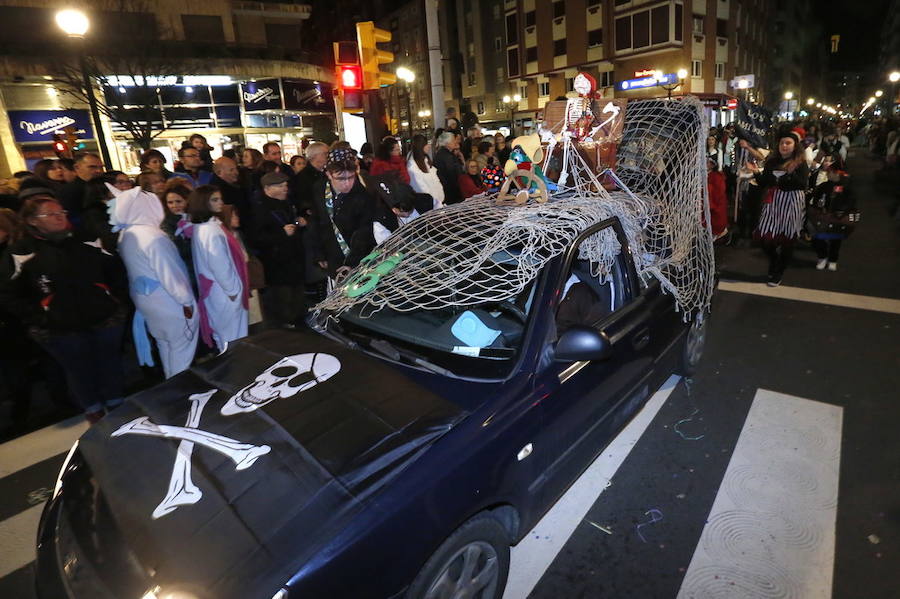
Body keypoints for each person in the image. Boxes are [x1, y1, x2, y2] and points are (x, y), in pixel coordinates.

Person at [0, 194, 127, 423]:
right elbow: (9, 294)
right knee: (79, 370)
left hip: (104, 318)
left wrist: (115, 301)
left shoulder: (87, 239)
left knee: (110, 365)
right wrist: (41, 317)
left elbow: (115, 271)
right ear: (32, 221)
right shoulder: (21, 252)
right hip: (58, 328)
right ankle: (95, 414)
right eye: (50, 214)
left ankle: (119, 411)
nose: (59, 217)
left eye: (61, 212)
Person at [114, 187, 198, 378]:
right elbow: (169, 273)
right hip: (168, 301)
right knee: (181, 349)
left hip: (146, 300)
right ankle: (180, 391)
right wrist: (186, 301)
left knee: (166, 346)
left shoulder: (126, 234)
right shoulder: (153, 236)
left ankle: (172, 386)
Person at [188, 185, 248, 350]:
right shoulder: (209, 231)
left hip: (219, 291)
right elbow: (219, 265)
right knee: (232, 340)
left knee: (227, 338)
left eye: (220, 198)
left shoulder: (207, 226)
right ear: (203, 203)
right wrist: (233, 291)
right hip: (223, 292)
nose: (220, 202)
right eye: (214, 200)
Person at [747, 130, 809, 286]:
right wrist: (756, 172)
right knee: (765, 238)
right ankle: (775, 260)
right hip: (774, 202)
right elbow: (764, 182)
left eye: (788, 143)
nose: (784, 146)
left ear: (795, 146)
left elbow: (802, 184)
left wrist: (787, 175)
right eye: (782, 143)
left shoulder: (800, 162)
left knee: (788, 239)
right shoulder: (772, 161)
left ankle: (778, 271)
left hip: (792, 202)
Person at [252, 171, 307, 328]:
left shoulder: (287, 202)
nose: (285, 189)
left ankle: (298, 319)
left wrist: (298, 223)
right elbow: (257, 237)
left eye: (286, 185)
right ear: (267, 188)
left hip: (294, 256)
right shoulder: (260, 208)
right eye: (281, 186)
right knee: (283, 295)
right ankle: (285, 323)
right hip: (277, 261)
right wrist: (281, 234)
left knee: (297, 291)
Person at [0, 208, 33, 429]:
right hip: (14, 320)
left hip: (14, 321)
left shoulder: (16, 253)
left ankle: (20, 414)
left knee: (16, 369)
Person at [808, 165, 855, 271]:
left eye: (830, 172)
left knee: (835, 240)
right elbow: (815, 199)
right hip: (823, 217)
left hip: (838, 217)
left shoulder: (846, 187)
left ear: (837, 173)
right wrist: (818, 207)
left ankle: (833, 260)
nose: (828, 174)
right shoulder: (823, 186)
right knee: (817, 238)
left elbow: (851, 201)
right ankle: (822, 257)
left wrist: (841, 210)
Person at [371, 179, 421, 245]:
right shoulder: (381, 221)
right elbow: (387, 246)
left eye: (410, 210)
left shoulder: (426, 200)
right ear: (393, 208)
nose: (406, 214)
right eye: (401, 211)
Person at [57, 153, 103, 225]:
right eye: (92, 167)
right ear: (76, 167)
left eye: (101, 167)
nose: (99, 171)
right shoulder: (70, 190)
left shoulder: (101, 186)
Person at [407, 133, 445, 209]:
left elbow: (436, 182)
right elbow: (422, 190)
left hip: (437, 204)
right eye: (426, 144)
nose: (429, 146)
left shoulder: (426, 161)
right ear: (421, 146)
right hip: (428, 206)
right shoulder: (412, 168)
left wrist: (440, 199)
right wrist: (435, 202)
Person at [434, 131, 464, 204]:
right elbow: (453, 174)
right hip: (451, 191)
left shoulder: (444, 153)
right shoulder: (446, 156)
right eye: (453, 140)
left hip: (448, 189)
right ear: (447, 143)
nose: (456, 142)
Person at [707, 157, 728, 240]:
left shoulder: (716, 177)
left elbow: (718, 193)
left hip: (715, 205)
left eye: (708, 162)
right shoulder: (709, 175)